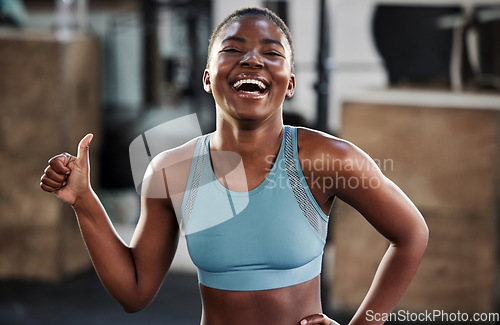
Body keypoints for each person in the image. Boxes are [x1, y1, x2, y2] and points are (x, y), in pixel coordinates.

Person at [40, 7, 428, 325]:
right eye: (233, 49)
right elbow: (135, 292)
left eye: (272, 53)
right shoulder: (170, 171)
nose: (253, 59)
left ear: (289, 82)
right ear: (208, 78)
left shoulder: (324, 158)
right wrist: (85, 202)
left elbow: (411, 234)